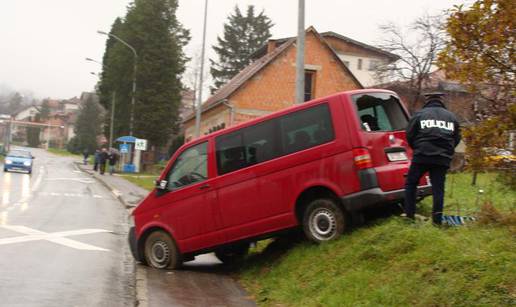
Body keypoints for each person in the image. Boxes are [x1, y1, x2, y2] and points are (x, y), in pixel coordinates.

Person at [404, 93, 461, 225]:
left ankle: (409, 217)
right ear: (441, 101)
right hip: (442, 158)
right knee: (438, 189)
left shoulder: (419, 115)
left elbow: (409, 134)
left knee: (411, 184)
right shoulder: (451, 117)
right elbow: (456, 138)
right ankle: (437, 221)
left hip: (422, 156)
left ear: (427, 101)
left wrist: (417, 148)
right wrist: (448, 150)